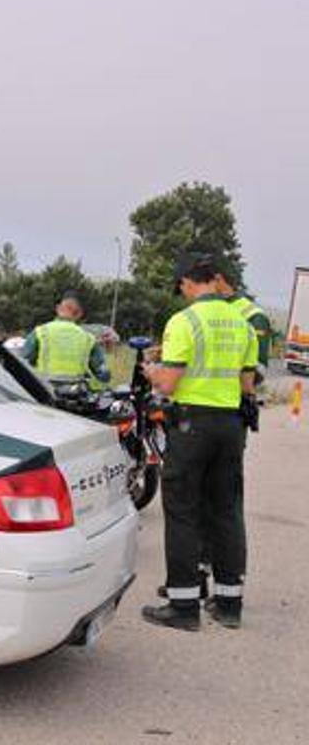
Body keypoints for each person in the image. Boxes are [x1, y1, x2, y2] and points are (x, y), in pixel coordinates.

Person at [141, 253, 258, 631]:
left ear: (189, 282)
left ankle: (183, 606)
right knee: (225, 511)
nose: (183, 293)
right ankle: (228, 604)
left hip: (192, 426)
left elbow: (170, 384)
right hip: (230, 427)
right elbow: (246, 385)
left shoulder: (184, 321)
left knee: (183, 511)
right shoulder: (243, 324)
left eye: (182, 287)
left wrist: (152, 372)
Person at [21, 291, 111, 388]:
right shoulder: (88, 338)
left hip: (45, 390)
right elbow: (103, 375)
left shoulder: (40, 332)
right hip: (75, 393)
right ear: (79, 313)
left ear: (57, 308)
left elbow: (24, 362)